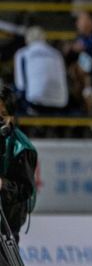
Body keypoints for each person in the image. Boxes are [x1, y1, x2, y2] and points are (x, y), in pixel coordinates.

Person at [0, 86, 37, 243]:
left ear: (11, 117)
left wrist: (3, 185)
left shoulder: (21, 147)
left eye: (2, 115)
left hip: (7, 224)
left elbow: (26, 189)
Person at [14, 26, 68, 115]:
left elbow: (20, 85)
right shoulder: (57, 54)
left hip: (35, 103)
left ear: (27, 39)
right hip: (60, 102)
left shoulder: (22, 53)